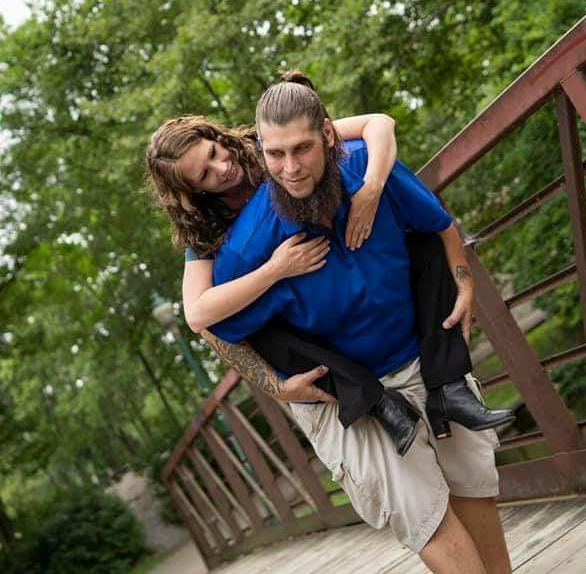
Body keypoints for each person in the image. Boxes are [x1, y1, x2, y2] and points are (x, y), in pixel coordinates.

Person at [206, 75, 513, 573]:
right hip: (351, 398)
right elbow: (217, 327)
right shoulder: (247, 248)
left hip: (420, 355)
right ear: (260, 150)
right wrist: (277, 386)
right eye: (275, 154)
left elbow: (437, 223)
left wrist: (465, 283)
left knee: (472, 484)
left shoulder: (369, 165)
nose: (290, 168)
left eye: (302, 148)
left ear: (329, 135)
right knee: (424, 514)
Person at [146, 77, 513, 457]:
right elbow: (199, 316)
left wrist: (371, 189)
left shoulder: (272, 144)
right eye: (204, 174)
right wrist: (275, 270)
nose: (222, 167)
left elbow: (379, 124)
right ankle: (370, 399)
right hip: (289, 296)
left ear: (216, 136)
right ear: (193, 190)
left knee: (421, 240)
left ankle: (448, 385)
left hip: (351, 266)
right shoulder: (203, 231)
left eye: (214, 151)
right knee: (262, 326)